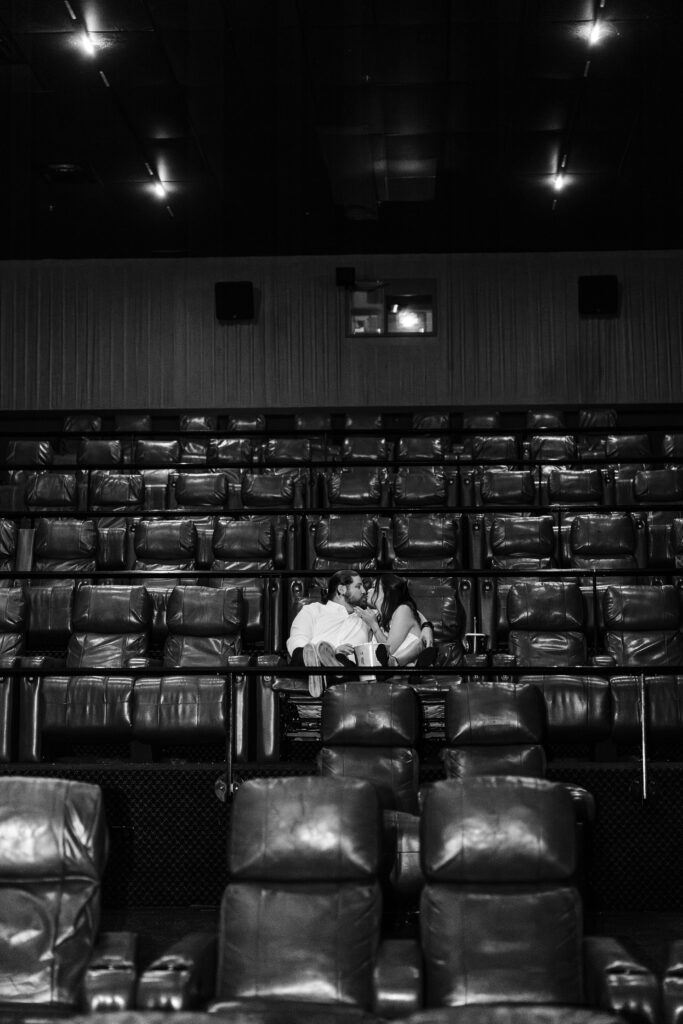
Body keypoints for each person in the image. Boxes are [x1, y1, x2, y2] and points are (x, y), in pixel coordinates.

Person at [286, 569, 433, 694]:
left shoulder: (368, 616)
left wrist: (426, 626)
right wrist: (322, 653)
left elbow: (401, 606)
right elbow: (297, 640)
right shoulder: (313, 610)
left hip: (347, 668)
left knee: (348, 666)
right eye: (359, 586)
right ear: (342, 589)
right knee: (299, 654)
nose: (364, 591)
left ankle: (327, 669)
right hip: (310, 660)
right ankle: (322, 663)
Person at [355, 574, 436, 668]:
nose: (368, 590)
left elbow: (388, 650)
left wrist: (374, 626)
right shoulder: (377, 616)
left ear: (387, 591)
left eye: (374, 587)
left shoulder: (403, 610)